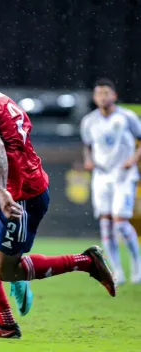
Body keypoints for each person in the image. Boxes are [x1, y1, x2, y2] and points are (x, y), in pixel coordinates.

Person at [0, 48, 116, 338]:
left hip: (20, 194)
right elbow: (13, 152)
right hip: (8, 186)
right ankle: (6, 323)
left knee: (7, 271)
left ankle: (86, 262)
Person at [81, 78, 141, 285]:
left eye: (107, 93)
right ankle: (117, 271)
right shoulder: (89, 121)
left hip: (123, 176)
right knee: (105, 226)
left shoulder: (127, 117)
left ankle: (137, 266)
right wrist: (88, 160)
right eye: (99, 94)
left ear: (114, 96)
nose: (103, 97)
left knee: (121, 224)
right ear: (95, 97)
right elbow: (87, 146)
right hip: (101, 176)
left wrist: (133, 159)